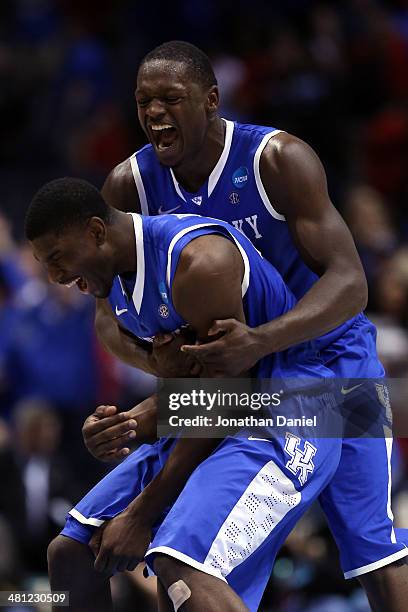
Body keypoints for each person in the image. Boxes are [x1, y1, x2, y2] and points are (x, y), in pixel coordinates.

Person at [87, 40, 408, 610]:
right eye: (143, 102)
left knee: (374, 549)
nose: (155, 113)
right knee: (180, 552)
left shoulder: (276, 159)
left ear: (211, 100)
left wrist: (261, 339)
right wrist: (151, 364)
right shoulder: (128, 187)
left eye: (170, 98)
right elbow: (107, 315)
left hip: (328, 365)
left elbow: (352, 283)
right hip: (233, 381)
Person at [25, 177, 347, 611]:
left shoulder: (198, 261)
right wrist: (130, 421)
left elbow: (228, 398)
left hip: (294, 413)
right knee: (71, 552)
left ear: (97, 232)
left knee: (181, 564)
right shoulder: (109, 276)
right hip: (223, 412)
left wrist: (141, 514)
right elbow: (195, 386)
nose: (55, 277)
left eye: (59, 260)